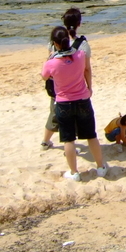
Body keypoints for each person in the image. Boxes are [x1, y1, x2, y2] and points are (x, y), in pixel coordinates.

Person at [41, 25, 107, 181]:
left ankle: (74, 171)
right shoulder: (80, 55)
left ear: (55, 43)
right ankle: (100, 167)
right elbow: (85, 68)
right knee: (91, 135)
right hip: (83, 99)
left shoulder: (52, 63)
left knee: (68, 139)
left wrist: (50, 57)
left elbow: (44, 76)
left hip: (64, 103)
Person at [42, 11, 90, 149]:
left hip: (58, 87)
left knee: (55, 113)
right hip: (77, 87)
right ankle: (69, 146)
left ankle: (45, 141)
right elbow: (87, 68)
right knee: (75, 117)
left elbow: (49, 65)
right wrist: (89, 86)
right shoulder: (82, 44)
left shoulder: (55, 39)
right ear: (79, 23)